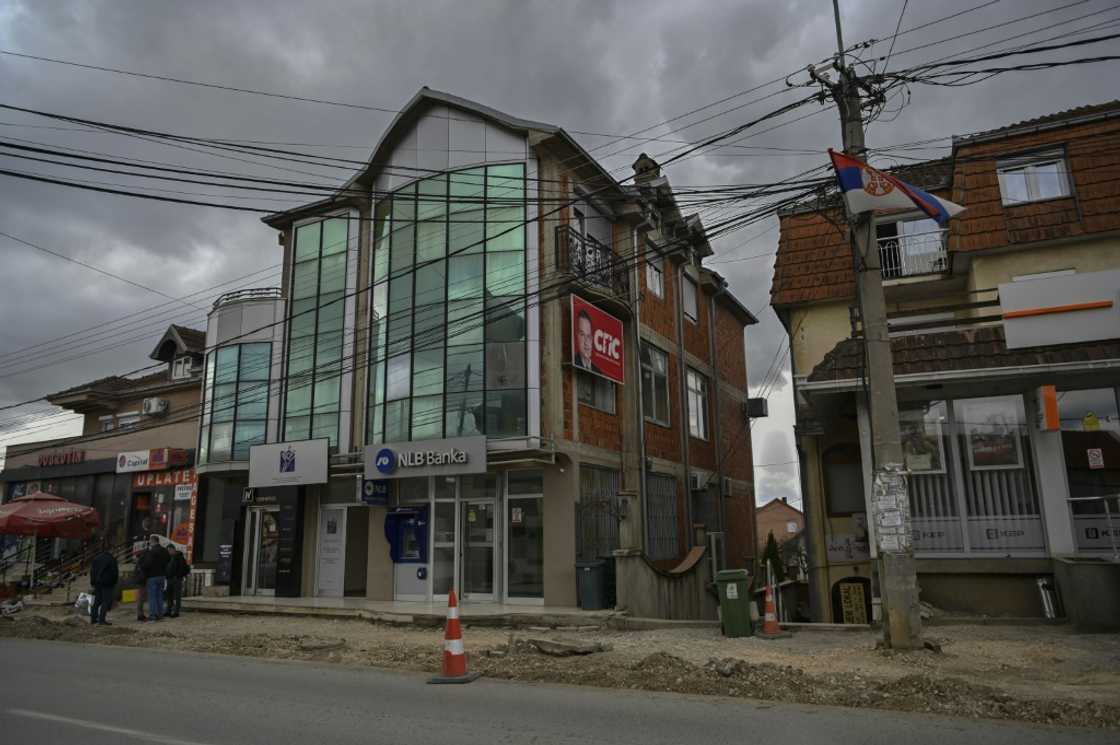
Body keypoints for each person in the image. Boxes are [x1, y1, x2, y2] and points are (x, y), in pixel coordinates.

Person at [138, 536, 170, 622]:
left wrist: (141, 567)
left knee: (152, 596)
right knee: (159, 595)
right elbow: (168, 560)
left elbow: (147, 564)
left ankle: (153, 615)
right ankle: (160, 614)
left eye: (150, 541)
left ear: (152, 541)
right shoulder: (164, 551)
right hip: (162, 576)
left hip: (152, 576)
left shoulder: (152, 552)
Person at [88, 539, 119, 626]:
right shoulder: (111, 559)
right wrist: (114, 582)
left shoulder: (96, 558)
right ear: (111, 550)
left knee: (97, 601)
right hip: (107, 583)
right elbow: (114, 572)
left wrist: (93, 581)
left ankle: (93, 619)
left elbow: (92, 571)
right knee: (106, 601)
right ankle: (102, 619)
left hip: (97, 583)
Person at [164, 544, 190, 618]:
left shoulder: (180, 557)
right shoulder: (169, 558)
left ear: (173, 549)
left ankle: (176, 611)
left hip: (176, 579)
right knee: (169, 596)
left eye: (169, 550)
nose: (168, 552)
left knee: (177, 596)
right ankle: (168, 610)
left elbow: (183, 568)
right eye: (168, 550)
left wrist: (178, 576)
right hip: (169, 579)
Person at [573, 309, 601, 373]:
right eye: (582, 335)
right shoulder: (573, 361)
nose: (586, 342)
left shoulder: (598, 372)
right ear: (576, 336)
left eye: (588, 336)